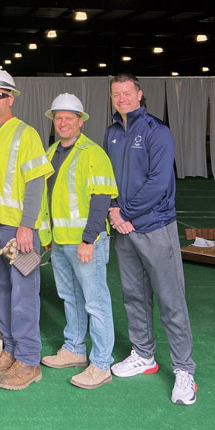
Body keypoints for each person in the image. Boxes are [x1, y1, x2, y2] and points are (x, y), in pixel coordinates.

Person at [103, 73, 197, 405]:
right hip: (125, 229)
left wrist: (125, 213)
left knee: (172, 301)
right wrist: (114, 210)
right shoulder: (112, 133)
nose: (122, 98)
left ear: (140, 94)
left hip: (155, 227)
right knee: (134, 296)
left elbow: (159, 182)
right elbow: (106, 178)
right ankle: (144, 355)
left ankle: (185, 370)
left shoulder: (157, 131)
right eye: (116, 94)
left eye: (127, 92)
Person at [0, 70, 53, 391]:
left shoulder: (26, 134)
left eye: (1, 94)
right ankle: (11, 349)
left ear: (12, 98)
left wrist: (27, 226)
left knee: (24, 292)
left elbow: (36, 182)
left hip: (18, 230)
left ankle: (29, 359)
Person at [39, 93, 118, 389]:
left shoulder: (92, 153)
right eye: (58, 118)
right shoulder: (51, 152)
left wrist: (89, 239)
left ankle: (101, 364)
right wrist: (48, 237)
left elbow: (101, 197)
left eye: (69, 118)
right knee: (70, 297)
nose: (63, 123)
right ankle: (74, 348)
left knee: (95, 302)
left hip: (85, 242)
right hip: (60, 241)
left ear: (80, 122)